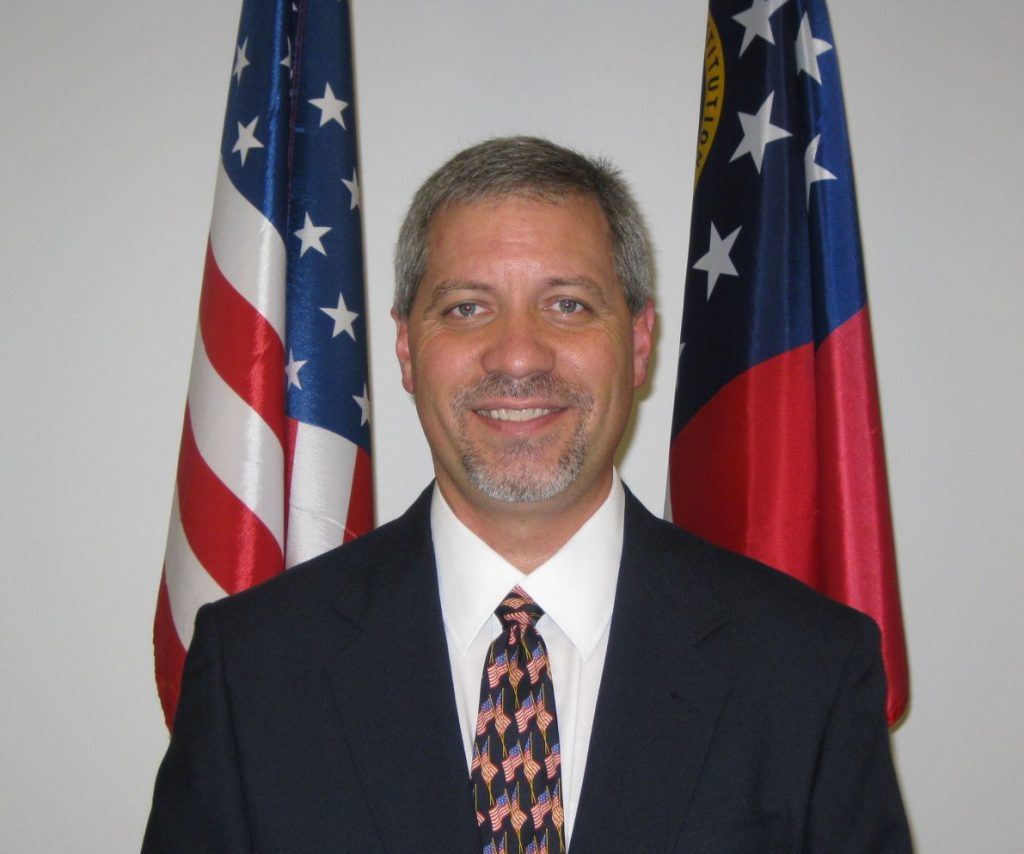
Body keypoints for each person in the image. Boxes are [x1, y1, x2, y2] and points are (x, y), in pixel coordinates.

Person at [143, 137, 911, 853]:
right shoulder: (254, 668)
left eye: (569, 304)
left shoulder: (809, 668)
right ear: (407, 348)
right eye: (466, 307)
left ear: (639, 343)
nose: (518, 356)